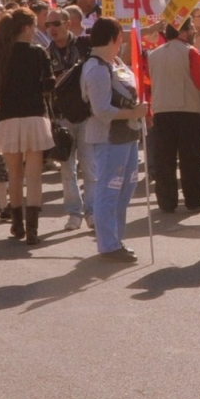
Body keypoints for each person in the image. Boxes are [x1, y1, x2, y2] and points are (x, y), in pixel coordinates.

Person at [81, 17, 149, 262]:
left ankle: (116, 238)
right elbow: (101, 111)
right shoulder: (96, 68)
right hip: (108, 138)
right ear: (112, 38)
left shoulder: (116, 62)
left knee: (126, 187)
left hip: (128, 136)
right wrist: (133, 113)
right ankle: (108, 244)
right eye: (120, 36)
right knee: (109, 188)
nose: (122, 42)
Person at [0, 8, 54, 244]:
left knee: (14, 175)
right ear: (26, 28)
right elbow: (49, 85)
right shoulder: (38, 53)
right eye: (34, 27)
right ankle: (33, 229)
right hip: (35, 116)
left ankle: (17, 225)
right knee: (34, 176)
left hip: (9, 118)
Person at [148, 18, 200, 213]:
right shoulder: (191, 52)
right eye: (191, 29)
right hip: (188, 110)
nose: (193, 32)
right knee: (191, 159)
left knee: (164, 160)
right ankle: (194, 200)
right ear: (183, 32)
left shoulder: (154, 54)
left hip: (160, 110)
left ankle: (166, 202)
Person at [46, 7, 93, 229]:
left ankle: (91, 212)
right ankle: (74, 213)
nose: (52, 29)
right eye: (48, 25)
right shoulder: (46, 52)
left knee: (89, 166)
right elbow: (45, 88)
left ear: (68, 23)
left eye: (56, 23)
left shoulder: (85, 45)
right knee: (67, 168)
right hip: (62, 118)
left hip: (86, 114)